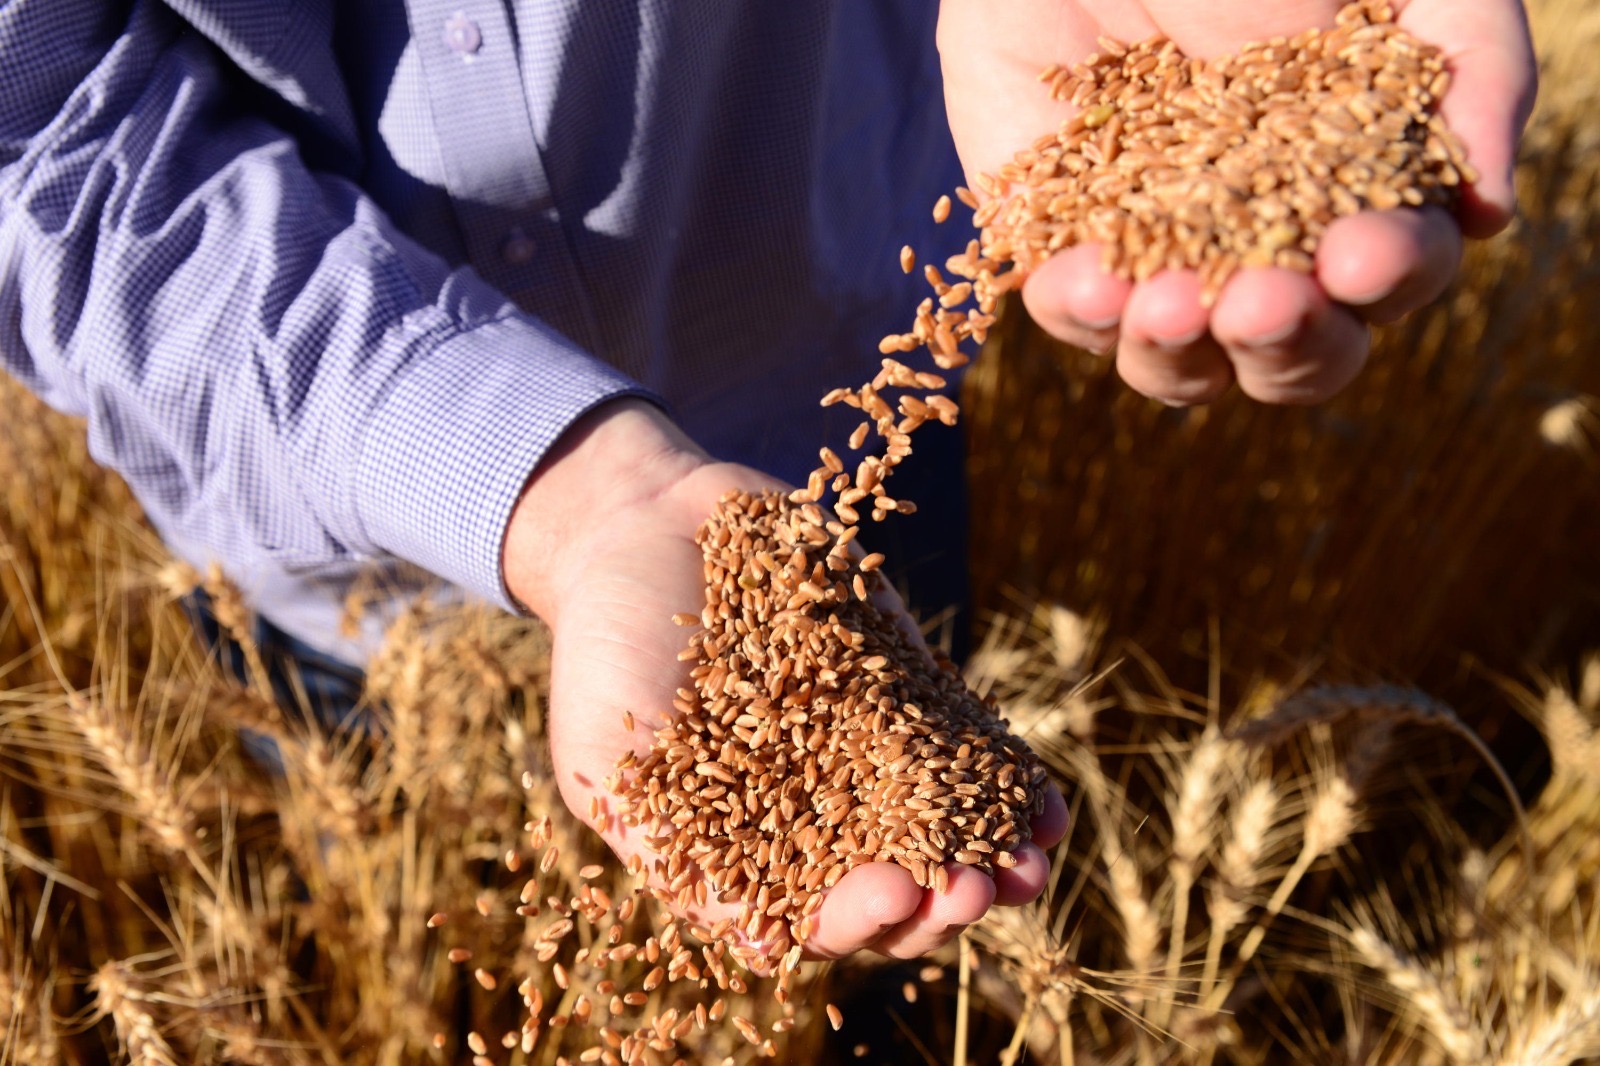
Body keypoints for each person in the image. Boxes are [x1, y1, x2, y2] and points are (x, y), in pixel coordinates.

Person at [0, 0, 1534, 961]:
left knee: (904, 923)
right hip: (323, 554)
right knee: (408, 917)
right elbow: (46, 146)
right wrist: (567, 488)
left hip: (845, 417)